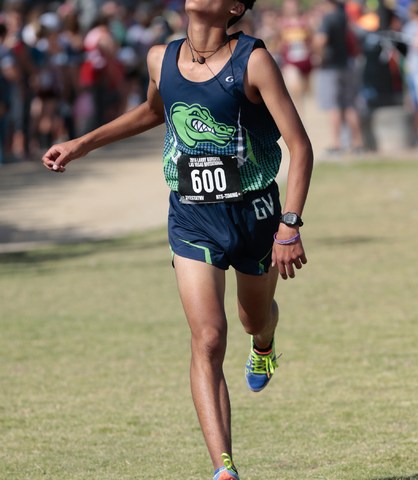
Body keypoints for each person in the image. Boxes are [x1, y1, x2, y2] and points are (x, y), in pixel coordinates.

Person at [42, 0, 313, 478]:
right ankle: (224, 468)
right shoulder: (158, 58)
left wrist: (289, 225)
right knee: (208, 338)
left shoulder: (253, 60)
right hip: (191, 215)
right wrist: (80, 144)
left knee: (253, 320)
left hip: (255, 213)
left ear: (234, 7)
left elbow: (300, 145)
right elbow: (152, 112)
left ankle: (266, 344)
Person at [312, 0, 364, 154]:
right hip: (346, 65)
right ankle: (357, 143)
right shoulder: (344, 16)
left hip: (331, 67)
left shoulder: (328, 18)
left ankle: (337, 144)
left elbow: (320, 40)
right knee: (350, 105)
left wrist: (319, 56)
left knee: (333, 106)